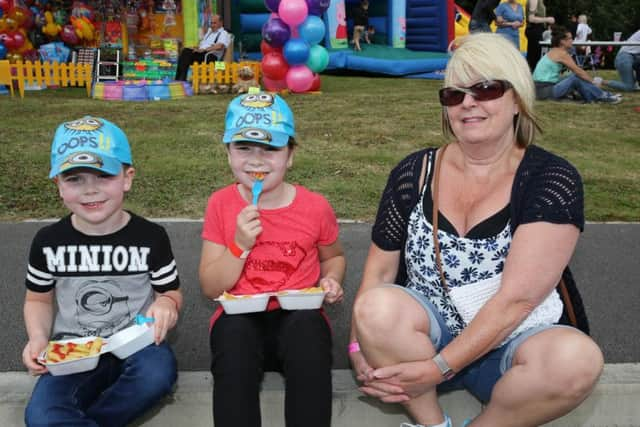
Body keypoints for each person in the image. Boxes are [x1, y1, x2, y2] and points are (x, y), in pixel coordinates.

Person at [349, 33, 603, 427]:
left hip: (512, 341)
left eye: (486, 88)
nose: (468, 103)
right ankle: (431, 425)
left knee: (577, 360)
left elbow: (517, 302)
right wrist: (357, 345)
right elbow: (378, 273)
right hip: (421, 341)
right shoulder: (413, 174)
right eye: (454, 94)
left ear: (516, 98)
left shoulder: (550, 179)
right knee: (375, 308)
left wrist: (440, 369)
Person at [22, 116, 182, 426]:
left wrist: (166, 303)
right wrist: (38, 338)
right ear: (58, 185)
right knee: (41, 416)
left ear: (127, 177)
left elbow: (170, 291)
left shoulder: (151, 237)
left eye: (103, 175)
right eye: (74, 179)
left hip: (138, 341)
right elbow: (38, 300)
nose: (90, 190)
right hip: (73, 349)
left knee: (156, 375)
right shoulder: (47, 242)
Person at [199, 92, 346, 427]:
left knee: (308, 331)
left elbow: (334, 256)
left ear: (290, 155)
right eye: (244, 148)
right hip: (239, 318)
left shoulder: (314, 207)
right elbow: (210, 287)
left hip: (298, 318)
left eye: (270, 149)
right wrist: (239, 245)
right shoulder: (220, 204)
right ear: (227, 154)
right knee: (233, 335)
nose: (256, 160)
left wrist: (331, 279)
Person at [532, 26, 621, 103]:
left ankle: (599, 95)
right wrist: (593, 81)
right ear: (562, 41)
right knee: (575, 78)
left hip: (540, 89)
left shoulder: (555, 51)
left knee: (574, 77)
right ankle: (602, 96)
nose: (573, 40)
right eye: (570, 38)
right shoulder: (562, 54)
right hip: (544, 91)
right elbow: (578, 71)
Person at [174, 14, 230, 81]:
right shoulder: (210, 32)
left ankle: (180, 79)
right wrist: (195, 48)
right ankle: (180, 78)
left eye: (214, 23)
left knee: (186, 53)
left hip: (211, 57)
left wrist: (204, 50)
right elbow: (203, 44)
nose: (212, 25)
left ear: (221, 23)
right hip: (202, 54)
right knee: (185, 51)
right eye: (211, 23)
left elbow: (220, 46)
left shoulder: (223, 33)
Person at [524, 0, 555, 71]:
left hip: (538, 30)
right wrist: (547, 19)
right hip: (535, 30)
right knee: (534, 57)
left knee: (536, 56)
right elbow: (531, 19)